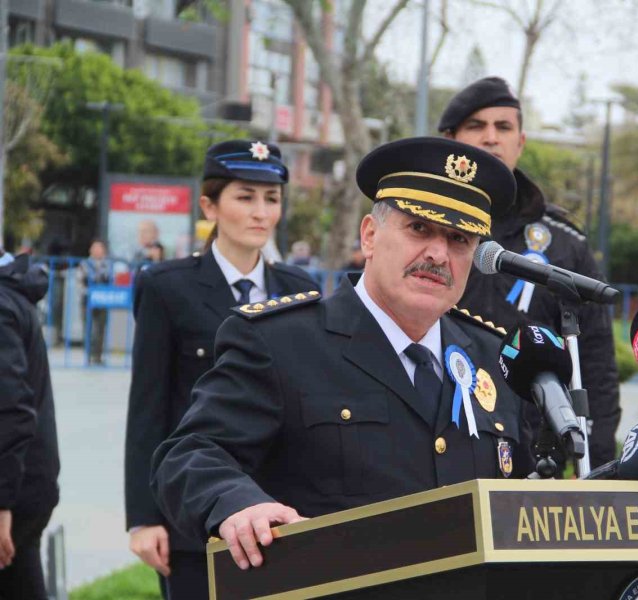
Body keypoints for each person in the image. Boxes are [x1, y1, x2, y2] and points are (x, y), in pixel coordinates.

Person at [150, 137, 534, 573]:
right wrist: (240, 504)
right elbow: (190, 453)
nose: (438, 254)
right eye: (419, 229)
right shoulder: (281, 342)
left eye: (460, 239)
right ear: (369, 235)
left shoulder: (493, 356)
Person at [124, 139, 320, 600]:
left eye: (271, 199)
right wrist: (144, 517)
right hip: (197, 516)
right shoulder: (166, 287)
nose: (260, 212)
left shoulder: (300, 288)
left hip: (282, 510)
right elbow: (148, 408)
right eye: (245, 197)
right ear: (209, 205)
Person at [439, 76, 621, 468]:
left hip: (538, 448)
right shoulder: (416, 229)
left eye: (503, 127)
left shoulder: (563, 242)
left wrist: (598, 463)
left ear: (520, 142)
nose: (491, 138)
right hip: (442, 436)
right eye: (476, 126)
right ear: (451, 140)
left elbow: (595, 363)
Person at [0, 250, 60, 599]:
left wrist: (2, 503)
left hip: (14, 493)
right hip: (25, 487)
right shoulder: (11, 293)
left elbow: (10, 409)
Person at [78, 239, 113, 365]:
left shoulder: (108, 264)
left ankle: (97, 356)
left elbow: (109, 279)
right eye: (95, 248)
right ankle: (88, 355)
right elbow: (82, 281)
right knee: (88, 328)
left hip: (103, 299)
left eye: (100, 248)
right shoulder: (84, 264)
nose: (97, 251)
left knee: (100, 328)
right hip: (87, 300)